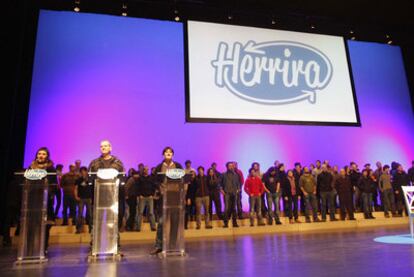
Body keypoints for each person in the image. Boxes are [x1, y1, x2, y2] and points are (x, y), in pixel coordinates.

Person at [88, 140, 124, 254]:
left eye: (106, 146)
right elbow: (90, 179)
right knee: (97, 222)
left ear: (110, 148)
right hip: (98, 198)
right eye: (101, 146)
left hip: (112, 198)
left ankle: (115, 247)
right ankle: (94, 246)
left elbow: (121, 176)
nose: (103, 148)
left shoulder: (117, 162)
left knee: (113, 221)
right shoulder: (94, 163)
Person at [150, 146, 183, 255]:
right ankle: (159, 246)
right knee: (161, 222)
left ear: (173, 154)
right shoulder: (159, 167)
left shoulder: (177, 166)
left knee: (175, 221)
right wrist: (160, 189)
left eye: (170, 152)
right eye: (166, 152)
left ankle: (173, 244)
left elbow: (183, 180)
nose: (168, 153)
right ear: (163, 154)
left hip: (175, 198)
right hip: (163, 198)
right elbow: (155, 181)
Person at [28, 147, 58, 256]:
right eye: (39, 153)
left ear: (47, 156)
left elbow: (54, 185)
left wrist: (48, 192)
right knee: (32, 225)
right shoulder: (30, 168)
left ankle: (43, 247)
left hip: (45, 201)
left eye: (44, 154)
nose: (41, 155)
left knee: (45, 227)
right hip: (32, 201)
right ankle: (31, 247)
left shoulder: (51, 169)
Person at [220, 162, 241, 228]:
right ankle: (226, 223)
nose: (231, 167)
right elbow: (220, 183)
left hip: (234, 193)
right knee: (226, 208)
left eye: (232, 166)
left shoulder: (236, 175)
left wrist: (238, 189)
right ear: (227, 167)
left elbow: (238, 183)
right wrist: (221, 190)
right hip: (227, 193)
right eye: (229, 166)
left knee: (234, 208)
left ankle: (234, 223)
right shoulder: (223, 174)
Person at [136, 166, 156, 232]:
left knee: (151, 213)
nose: (146, 171)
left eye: (147, 169)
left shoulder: (151, 178)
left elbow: (153, 187)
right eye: (145, 169)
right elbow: (138, 187)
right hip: (142, 197)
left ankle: (153, 227)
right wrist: (139, 195)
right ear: (143, 170)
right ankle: (138, 228)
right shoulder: (140, 178)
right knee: (140, 213)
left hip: (150, 197)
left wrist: (152, 195)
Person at [74, 166, 93, 234]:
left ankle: (91, 229)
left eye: (84, 171)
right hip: (81, 198)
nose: (83, 173)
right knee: (80, 214)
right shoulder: (78, 180)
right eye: (82, 172)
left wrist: (92, 198)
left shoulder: (90, 180)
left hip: (88, 198)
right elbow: (76, 188)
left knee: (90, 214)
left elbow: (92, 189)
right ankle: (78, 229)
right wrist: (76, 196)